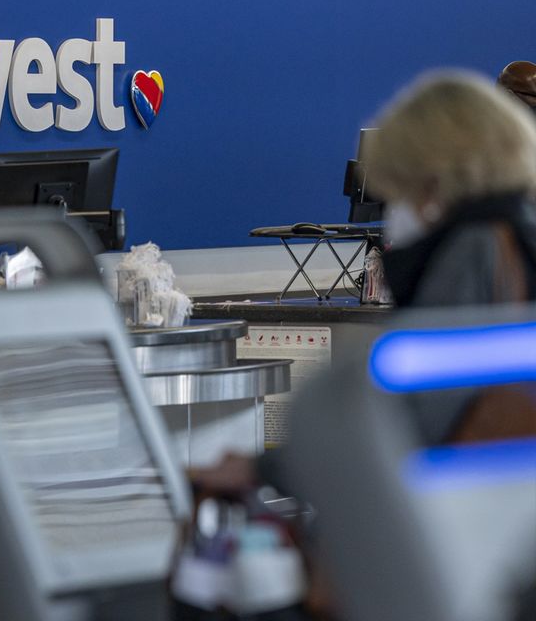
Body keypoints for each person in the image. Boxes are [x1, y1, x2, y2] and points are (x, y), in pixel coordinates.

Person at [195, 70, 536, 490]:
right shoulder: (519, 232)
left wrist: (267, 471)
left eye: (403, 186)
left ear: (437, 176)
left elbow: (413, 418)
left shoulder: (474, 248)